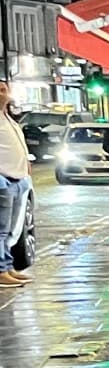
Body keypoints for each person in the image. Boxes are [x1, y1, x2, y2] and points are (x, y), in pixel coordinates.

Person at [0, 80, 31, 288]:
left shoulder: (7, 118)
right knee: (1, 229)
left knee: (11, 230)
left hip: (18, 179)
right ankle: (1, 271)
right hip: (4, 179)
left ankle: (8, 266)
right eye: (0, 90)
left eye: (5, 90)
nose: (5, 94)